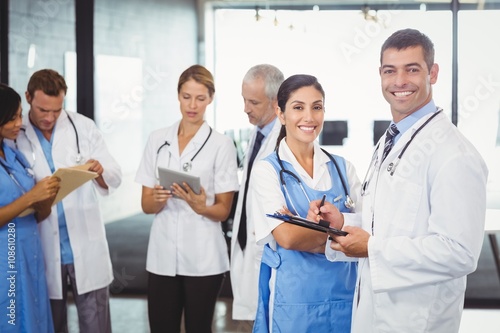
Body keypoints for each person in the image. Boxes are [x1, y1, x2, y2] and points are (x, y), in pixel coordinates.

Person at [309, 29, 488, 333]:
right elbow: (388, 220)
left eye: (412, 69)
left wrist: (373, 248)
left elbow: (460, 253)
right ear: (380, 75)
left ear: (433, 73)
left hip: (417, 320)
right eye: (390, 70)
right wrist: (342, 222)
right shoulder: (391, 140)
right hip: (375, 312)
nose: (400, 81)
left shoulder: (455, 154)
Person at [11, 69, 122, 333]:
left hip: (84, 242)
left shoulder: (81, 126)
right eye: (42, 110)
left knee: (96, 324)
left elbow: (115, 172)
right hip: (42, 245)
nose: (49, 117)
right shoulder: (16, 133)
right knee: (50, 324)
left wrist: (99, 170)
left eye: (56, 110)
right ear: (28, 97)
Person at [249, 74, 361, 332]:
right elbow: (286, 238)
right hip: (293, 304)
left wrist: (306, 231)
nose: (309, 117)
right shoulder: (268, 171)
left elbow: (368, 230)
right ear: (281, 113)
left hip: (344, 299)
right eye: (298, 107)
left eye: (317, 107)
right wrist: (344, 239)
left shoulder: (344, 169)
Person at [135, 64, 239, 333]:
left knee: (199, 328)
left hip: (204, 257)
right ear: (178, 95)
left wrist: (200, 206)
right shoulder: (158, 139)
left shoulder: (221, 144)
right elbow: (146, 204)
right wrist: (158, 199)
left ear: (211, 99)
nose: (192, 105)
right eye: (186, 96)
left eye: (200, 98)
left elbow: (223, 211)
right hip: (162, 254)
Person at [0, 83, 60, 332]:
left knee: (33, 319)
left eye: (19, 115)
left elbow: (36, 213)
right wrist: (30, 197)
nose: (18, 123)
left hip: (29, 256)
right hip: (6, 261)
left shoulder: (13, 155)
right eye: (12, 117)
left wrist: (46, 200)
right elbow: (23, 201)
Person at [230, 64, 284, 322]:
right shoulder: (258, 134)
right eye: (243, 99)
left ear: (275, 102)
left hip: (268, 250)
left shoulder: (284, 142)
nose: (245, 108)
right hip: (246, 244)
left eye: (253, 101)